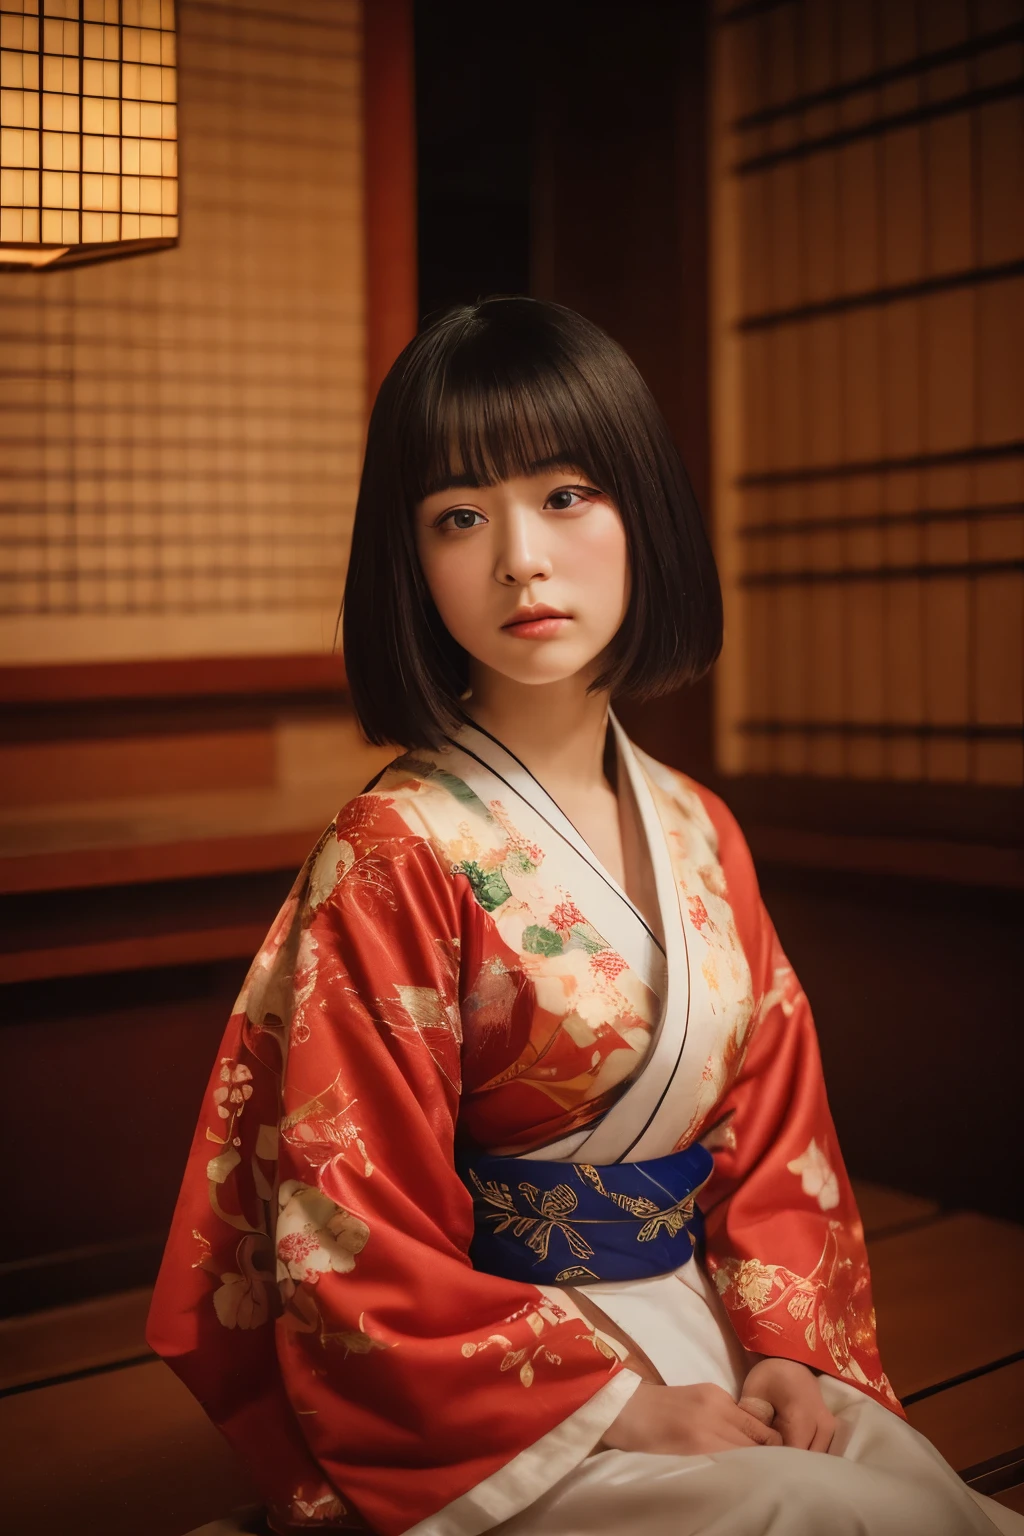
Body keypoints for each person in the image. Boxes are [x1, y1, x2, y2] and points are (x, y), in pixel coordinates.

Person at [147, 298, 1021, 1536]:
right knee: (801, 1513)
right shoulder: (390, 852)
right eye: (459, 516)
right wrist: (609, 1404)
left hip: (713, 1316)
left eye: (565, 496)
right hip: (503, 1387)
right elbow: (349, 1221)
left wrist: (789, 1348)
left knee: (911, 1486)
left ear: (641, 513)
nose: (520, 558)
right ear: (409, 559)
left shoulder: (700, 827)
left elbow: (779, 1140)